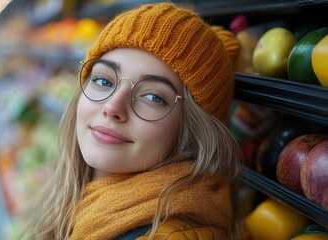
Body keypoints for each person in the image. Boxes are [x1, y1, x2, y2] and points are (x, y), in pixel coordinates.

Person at [25, 3, 242, 240]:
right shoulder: (78, 201)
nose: (112, 107)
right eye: (104, 81)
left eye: (153, 97)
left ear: (193, 133)